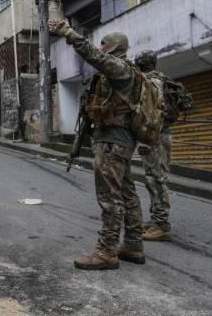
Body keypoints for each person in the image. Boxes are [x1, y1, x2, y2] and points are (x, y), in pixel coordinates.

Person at [48, 19, 144, 270]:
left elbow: (93, 56)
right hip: (117, 140)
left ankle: (106, 251)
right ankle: (133, 244)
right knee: (126, 192)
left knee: (109, 196)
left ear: (114, 47)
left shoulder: (119, 68)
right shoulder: (123, 70)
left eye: (104, 45)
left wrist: (68, 33)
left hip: (113, 141)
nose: (100, 48)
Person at [134, 50, 171, 241]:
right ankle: (155, 219)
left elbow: (153, 113)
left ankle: (161, 225)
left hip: (155, 137)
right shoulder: (157, 79)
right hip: (158, 136)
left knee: (157, 179)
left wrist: (147, 137)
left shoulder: (152, 82)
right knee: (152, 179)